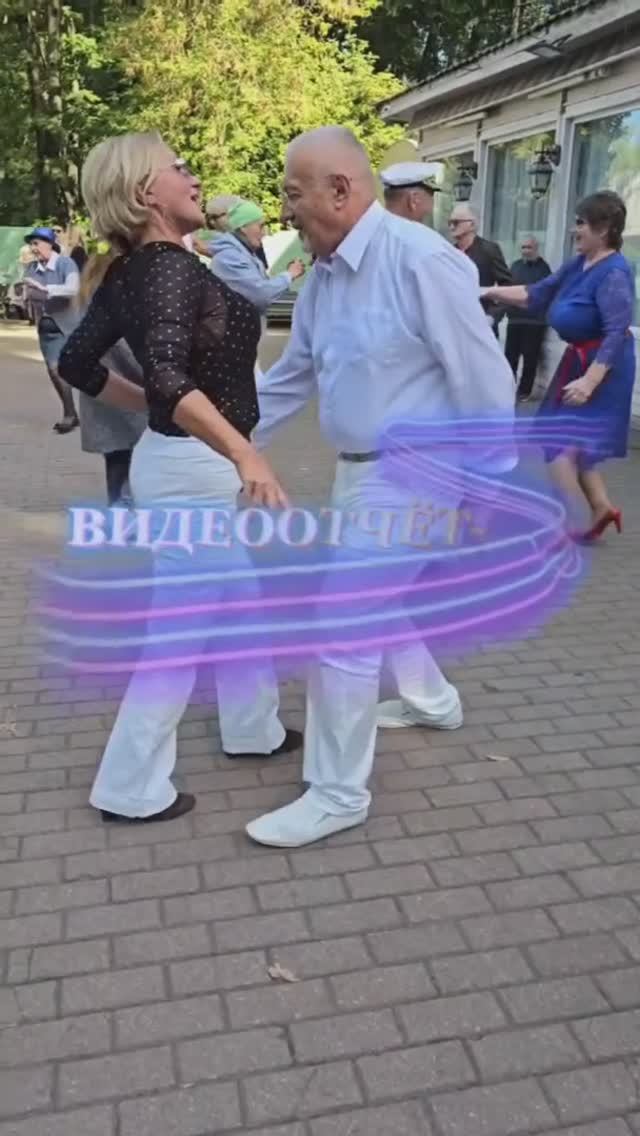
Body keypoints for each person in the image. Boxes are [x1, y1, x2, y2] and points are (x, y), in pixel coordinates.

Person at [246, 126, 516, 848]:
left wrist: (489, 487)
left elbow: (482, 378)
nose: (286, 210)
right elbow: (293, 375)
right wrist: (233, 447)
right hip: (357, 473)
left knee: (343, 627)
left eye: (293, 193)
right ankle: (434, 701)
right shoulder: (324, 276)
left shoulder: (420, 260)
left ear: (340, 190)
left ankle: (337, 793)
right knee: (374, 603)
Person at [59, 130, 300, 824]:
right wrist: (245, 453)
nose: (195, 178)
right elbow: (166, 375)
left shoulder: (134, 270)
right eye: (180, 168)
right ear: (146, 194)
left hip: (182, 464)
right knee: (177, 637)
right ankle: (129, 786)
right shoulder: (164, 268)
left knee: (242, 606)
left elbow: (77, 363)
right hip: (193, 471)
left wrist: (150, 405)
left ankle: (253, 729)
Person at [485, 190, 635, 541]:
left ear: (604, 229)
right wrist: (485, 291)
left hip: (603, 368)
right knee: (571, 444)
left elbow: (615, 333)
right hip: (578, 361)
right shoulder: (580, 263)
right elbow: (535, 293)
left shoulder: (614, 272)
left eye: (581, 223)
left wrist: (589, 382)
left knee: (559, 446)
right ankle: (601, 507)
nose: (574, 229)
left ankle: (566, 526)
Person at [74, 251, 147, 505]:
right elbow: (130, 354)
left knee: (117, 463)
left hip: (102, 399)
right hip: (128, 398)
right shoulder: (114, 306)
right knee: (134, 465)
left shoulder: (89, 303)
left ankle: (118, 510)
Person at [23, 226, 80, 433]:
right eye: (31, 244)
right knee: (54, 371)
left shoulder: (66, 263)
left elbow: (73, 288)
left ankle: (81, 414)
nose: (33, 248)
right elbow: (30, 295)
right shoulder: (32, 268)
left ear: (49, 244)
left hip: (69, 325)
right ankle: (70, 414)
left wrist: (44, 289)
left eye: (36, 243)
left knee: (74, 369)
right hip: (47, 328)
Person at [212, 199, 305, 314]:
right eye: (260, 226)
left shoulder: (243, 254)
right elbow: (262, 295)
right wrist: (289, 274)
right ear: (243, 227)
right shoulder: (229, 258)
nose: (264, 233)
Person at [448, 204, 512, 334]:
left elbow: (508, 286)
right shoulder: (449, 252)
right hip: (453, 324)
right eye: (449, 223)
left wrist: (492, 316)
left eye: (456, 222)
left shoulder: (489, 250)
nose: (451, 227)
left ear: (471, 224)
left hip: (482, 323)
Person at [505, 236, 551, 402]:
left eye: (529, 247)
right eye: (523, 247)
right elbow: (507, 288)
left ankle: (524, 392)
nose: (525, 251)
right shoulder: (515, 266)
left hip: (534, 322)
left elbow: (546, 293)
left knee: (530, 358)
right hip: (514, 320)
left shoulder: (544, 269)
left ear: (536, 248)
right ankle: (508, 389)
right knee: (510, 357)